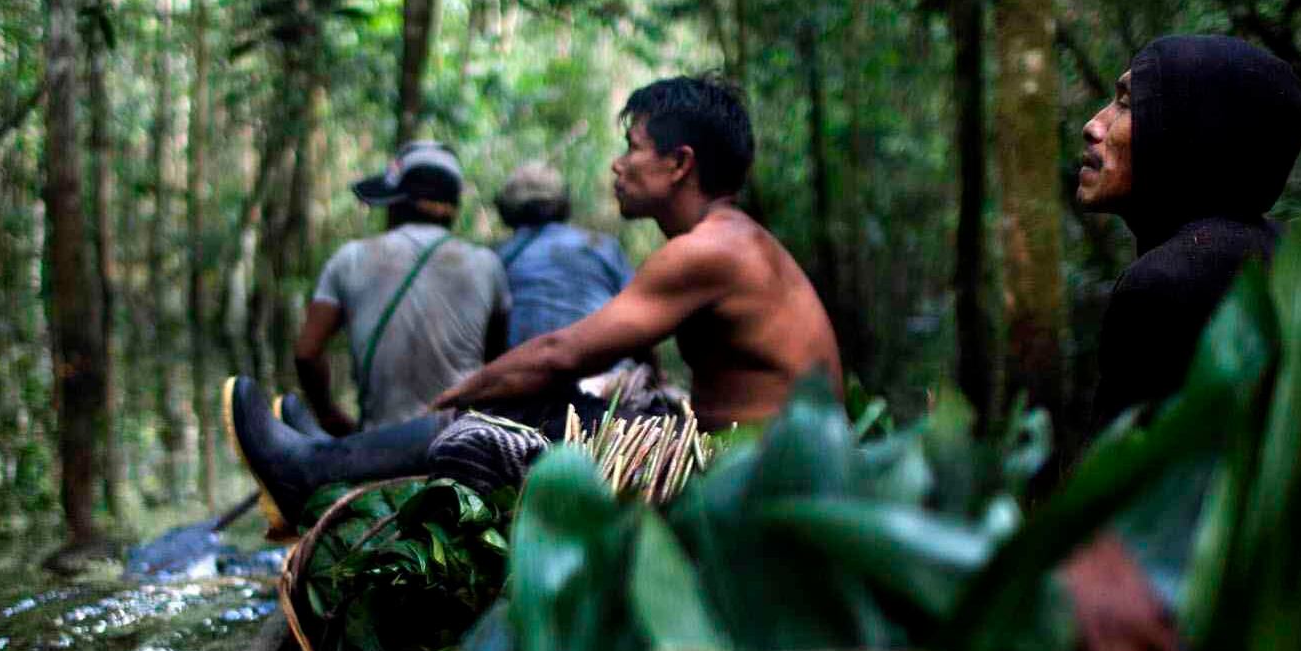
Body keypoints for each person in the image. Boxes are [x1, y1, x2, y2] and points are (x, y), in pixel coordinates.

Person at [224, 74, 844, 534]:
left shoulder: (708, 250)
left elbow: (559, 352)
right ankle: (329, 462)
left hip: (758, 484)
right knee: (541, 401)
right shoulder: (734, 240)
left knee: (487, 426)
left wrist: (460, 396)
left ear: (679, 165)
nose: (618, 163)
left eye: (633, 146)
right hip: (761, 463)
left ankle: (313, 470)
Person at [1080, 34, 1301, 429]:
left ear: (1187, 130)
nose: (1093, 125)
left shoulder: (1162, 285)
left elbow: (1127, 479)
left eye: (1127, 104)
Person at [291, 140, 511, 436]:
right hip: (461, 442)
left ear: (397, 203)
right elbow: (495, 366)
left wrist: (329, 417)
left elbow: (307, 352)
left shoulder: (350, 258)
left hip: (378, 444)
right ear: (453, 209)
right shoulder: (487, 266)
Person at [493, 162, 634, 348]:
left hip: (525, 370)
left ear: (506, 208)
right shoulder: (603, 247)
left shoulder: (497, 257)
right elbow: (634, 315)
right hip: (606, 368)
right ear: (562, 204)